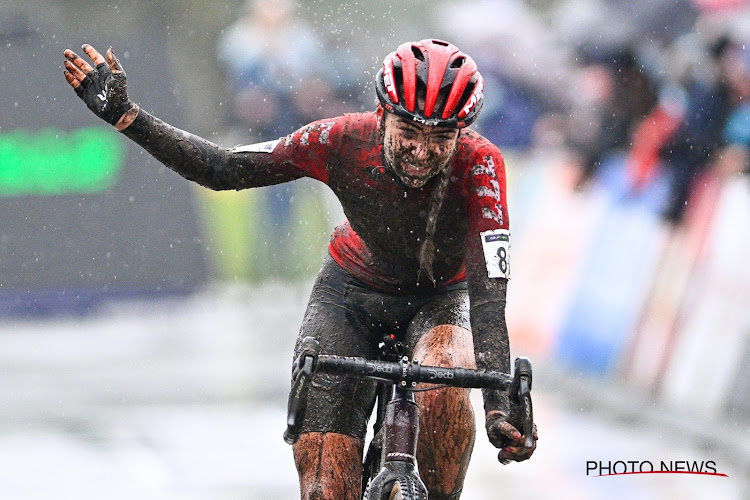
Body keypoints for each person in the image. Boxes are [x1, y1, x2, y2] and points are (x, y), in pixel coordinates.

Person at [62, 38, 538, 499]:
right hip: (352, 293)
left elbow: (489, 298)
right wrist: (130, 119)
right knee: (327, 489)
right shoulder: (340, 138)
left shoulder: (482, 166)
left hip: (441, 299)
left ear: (463, 133)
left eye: (441, 138)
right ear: (381, 116)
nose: (422, 150)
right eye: (409, 132)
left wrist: (500, 409)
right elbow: (224, 169)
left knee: (448, 374)